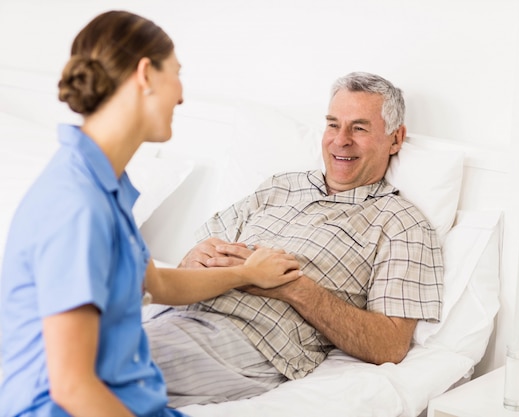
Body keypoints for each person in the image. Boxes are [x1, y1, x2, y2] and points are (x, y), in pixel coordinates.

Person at [0, 10, 301, 417]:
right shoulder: (77, 205)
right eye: (176, 74)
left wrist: (245, 274)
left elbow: (155, 283)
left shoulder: (105, 187)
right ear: (145, 74)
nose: (181, 95)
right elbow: (72, 387)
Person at [144, 71, 444, 408]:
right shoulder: (281, 186)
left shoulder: (401, 223)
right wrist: (194, 259)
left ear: (394, 138)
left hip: (248, 340)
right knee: (81, 339)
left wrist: (289, 287)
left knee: (95, 363)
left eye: (359, 128)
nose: (340, 140)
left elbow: (389, 345)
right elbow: (192, 261)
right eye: (333, 124)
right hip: (173, 313)